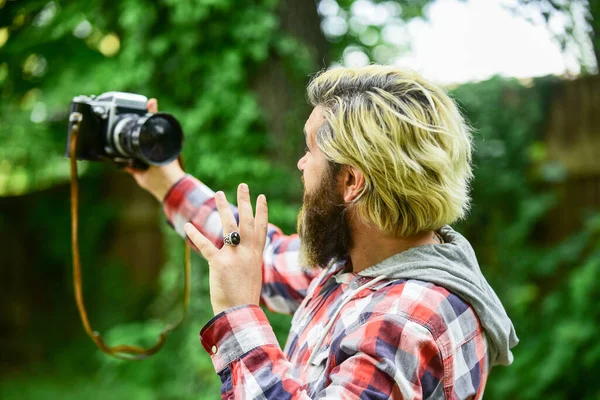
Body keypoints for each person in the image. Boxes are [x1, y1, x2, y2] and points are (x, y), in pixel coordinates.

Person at [127, 65, 518, 399]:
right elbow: (268, 260)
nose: (300, 163)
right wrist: (167, 181)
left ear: (351, 181)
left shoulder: (404, 322)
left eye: (310, 149)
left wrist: (238, 314)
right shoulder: (360, 264)